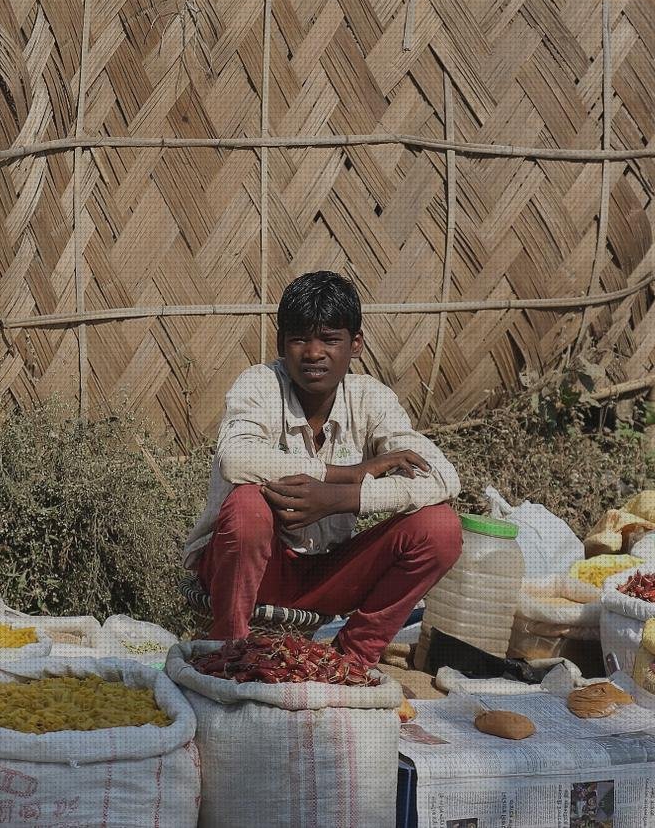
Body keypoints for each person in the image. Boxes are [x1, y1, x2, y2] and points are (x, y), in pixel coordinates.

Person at [184, 270, 463, 666]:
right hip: (249, 570)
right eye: (300, 339)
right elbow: (236, 458)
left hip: (325, 576)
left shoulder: (370, 399)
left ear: (355, 344)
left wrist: (342, 499)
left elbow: (444, 477)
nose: (314, 353)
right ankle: (227, 649)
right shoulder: (261, 384)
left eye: (330, 340)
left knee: (441, 528)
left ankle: (352, 657)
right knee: (248, 505)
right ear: (281, 343)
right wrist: (344, 474)